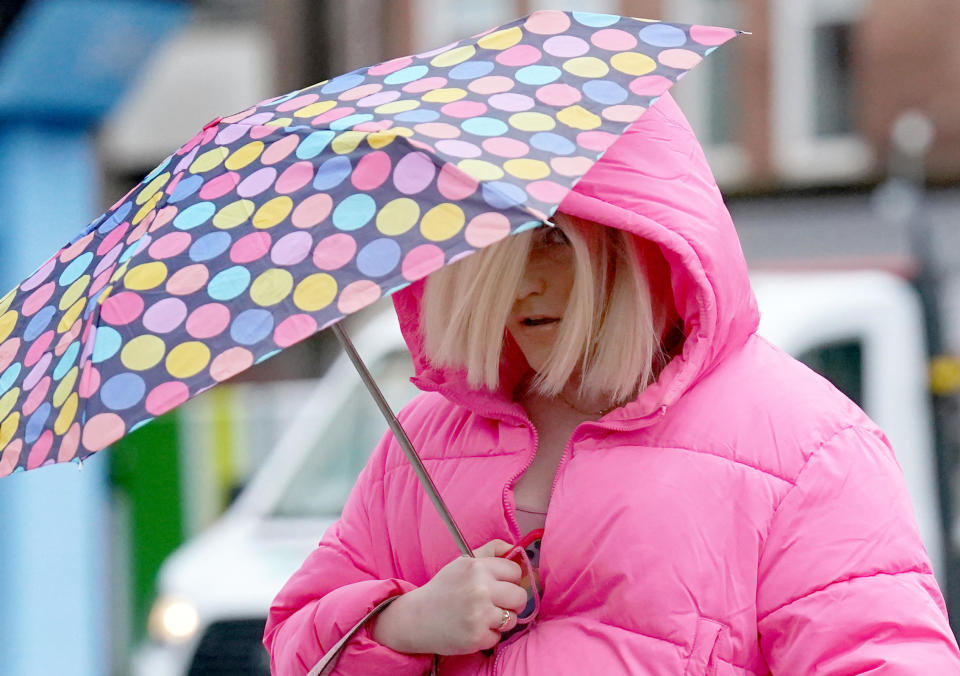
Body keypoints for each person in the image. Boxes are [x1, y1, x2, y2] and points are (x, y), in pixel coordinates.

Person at [263, 92, 960, 674]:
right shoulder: (423, 442)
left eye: (557, 239)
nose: (524, 283)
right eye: (492, 249)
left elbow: (881, 658)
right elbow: (295, 644)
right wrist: (404, 624)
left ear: (645, 242)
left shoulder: (806, 448)